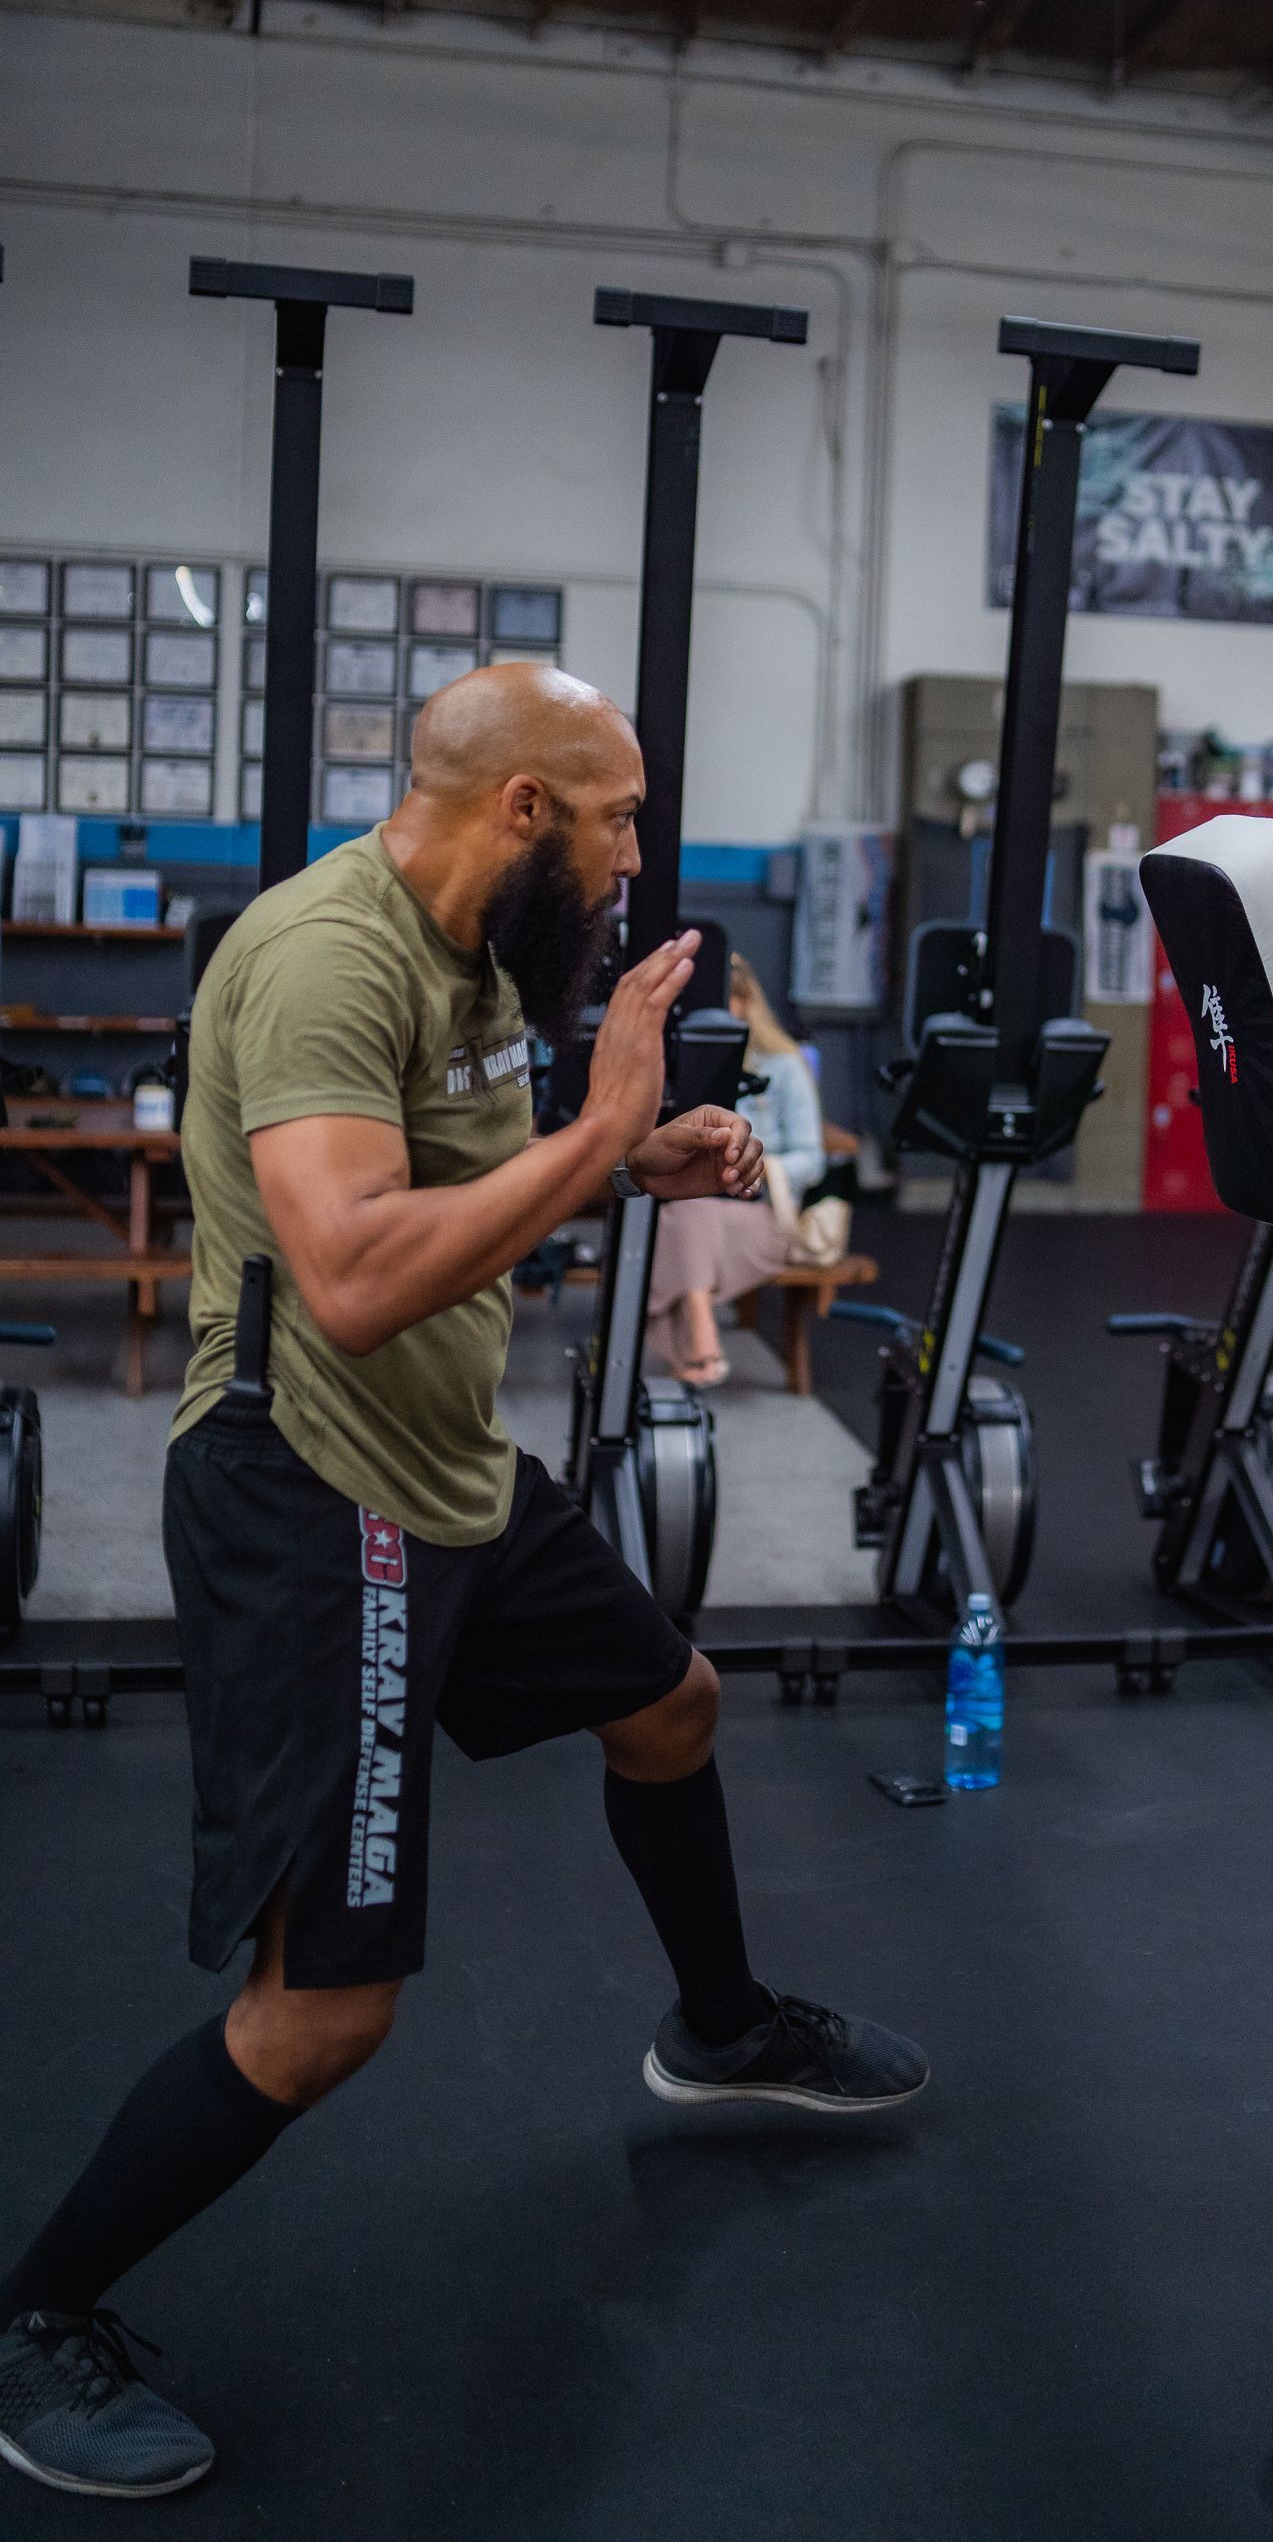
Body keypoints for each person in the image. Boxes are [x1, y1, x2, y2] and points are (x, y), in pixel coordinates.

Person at [0, 664, 927, 2504]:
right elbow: (346, 1274)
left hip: (444, 1467)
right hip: (310, 1483)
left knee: (672, 1703)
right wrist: (600, 1135)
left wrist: (625, 1154)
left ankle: (723, 2026)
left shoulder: (487, 958)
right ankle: (37, 2313)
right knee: (325, 2014)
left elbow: (461, 1170)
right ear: (523, 812)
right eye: (622, 817)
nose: (637, 852)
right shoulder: (326, 959)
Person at [647, 951, 826, 1387]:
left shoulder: (783, 1068)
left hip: (759, 1211)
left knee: (680, 1219)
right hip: (691, 1208)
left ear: (744, 1002)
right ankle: (702, 1323)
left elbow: (812, 1158)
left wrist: (751, 1165)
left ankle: (697, 1332)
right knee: (684, 1213)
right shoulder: (678, 1064)